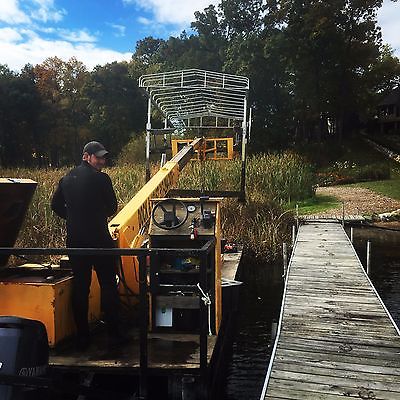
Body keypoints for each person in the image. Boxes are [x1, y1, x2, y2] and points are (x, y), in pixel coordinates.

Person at [51, 141, 124, 351]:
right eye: (98, 157)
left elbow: (55, 205)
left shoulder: (66, 179)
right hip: (100, 239)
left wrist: (73, 217)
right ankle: (115, 336)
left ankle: (83, 337)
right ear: (86, 156)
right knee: (109, 285)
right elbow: (112, 207)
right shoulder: (101, 179)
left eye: (103, 157)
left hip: (75, 241)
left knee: (81, 287)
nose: (102, 161)